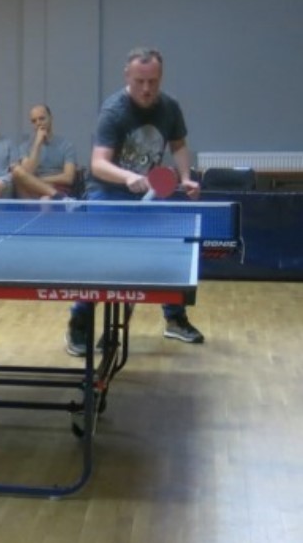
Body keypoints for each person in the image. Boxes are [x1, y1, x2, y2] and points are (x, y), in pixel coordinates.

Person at [67, 48, 204, 356]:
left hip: (148, 192)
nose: (146, 88)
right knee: (99, 259)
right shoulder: (114, 111)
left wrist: (185, 177)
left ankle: (175, 318)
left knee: (170, 246)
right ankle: (80, 322)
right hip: (108, 191)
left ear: (160, 78)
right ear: (127, 76)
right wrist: (127, 176)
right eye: (140, 81)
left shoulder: (169, 107)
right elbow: (98, 164)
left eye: (153, 81)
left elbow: (179, 145)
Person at [9, 104, 77, 199]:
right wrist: (37, 144)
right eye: (34, 121)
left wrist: (39, 181)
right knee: (16, 171)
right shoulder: (24, 147)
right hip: (31, 190)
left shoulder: (66, 145)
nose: (38, 123)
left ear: (51, 118)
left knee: (46, 200)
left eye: (42, 118)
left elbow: (68, 178)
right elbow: (28, 172)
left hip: (55, 186)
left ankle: (57, 196)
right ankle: (59, 197)